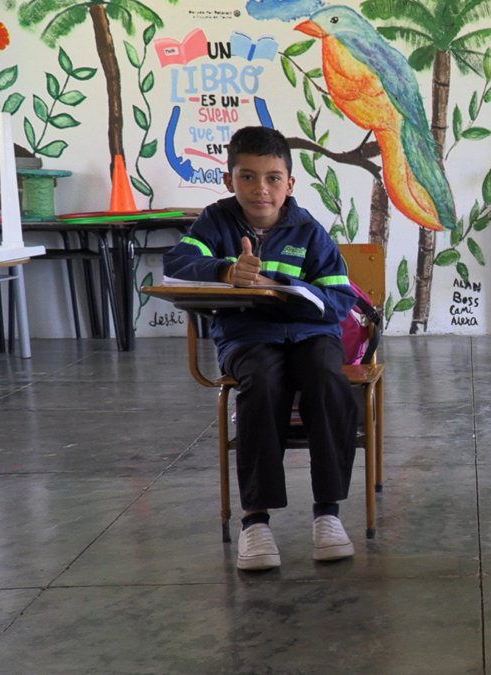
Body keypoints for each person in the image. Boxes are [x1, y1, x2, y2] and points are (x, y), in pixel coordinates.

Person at [163, 126, 361, 572]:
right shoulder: (216, 221)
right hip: (247, 336)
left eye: (273, 178)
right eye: (247, 177)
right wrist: (225, 271)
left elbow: (340, 300)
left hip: (311, 335)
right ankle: (256, 520)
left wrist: (280, 285)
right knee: (261, 384)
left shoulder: (310, 231)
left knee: (327, 379)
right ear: (229, 179)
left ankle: (328, 513)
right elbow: (176, 263)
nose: (261, 189)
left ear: (290, 183)